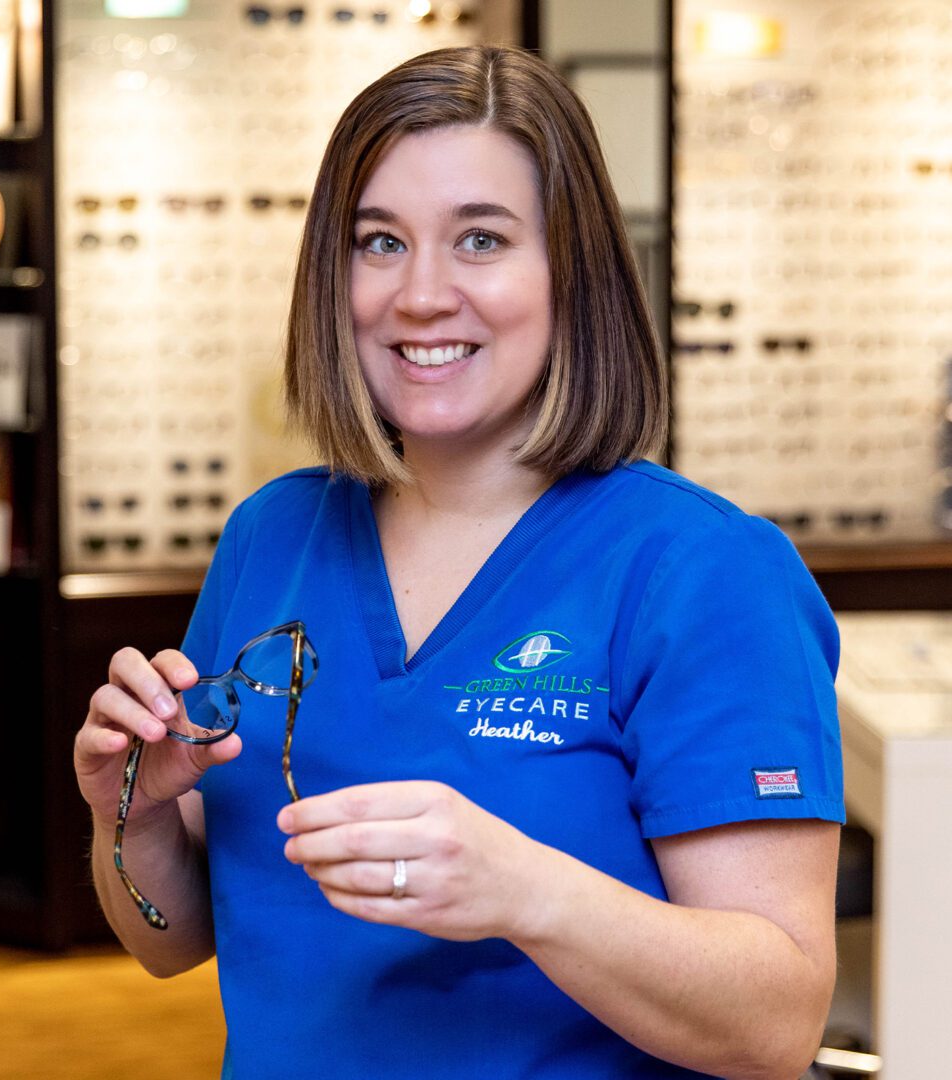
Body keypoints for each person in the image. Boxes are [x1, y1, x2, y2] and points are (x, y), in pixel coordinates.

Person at [75, 44, 843, 1080]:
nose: (421, 294)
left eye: (480, 239)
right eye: (378, 242)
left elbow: (775, 1025)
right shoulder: (272, 536)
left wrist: (526, 892)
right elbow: (166, 941)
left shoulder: (704, 574)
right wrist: (133, 811)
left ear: (569, 271)